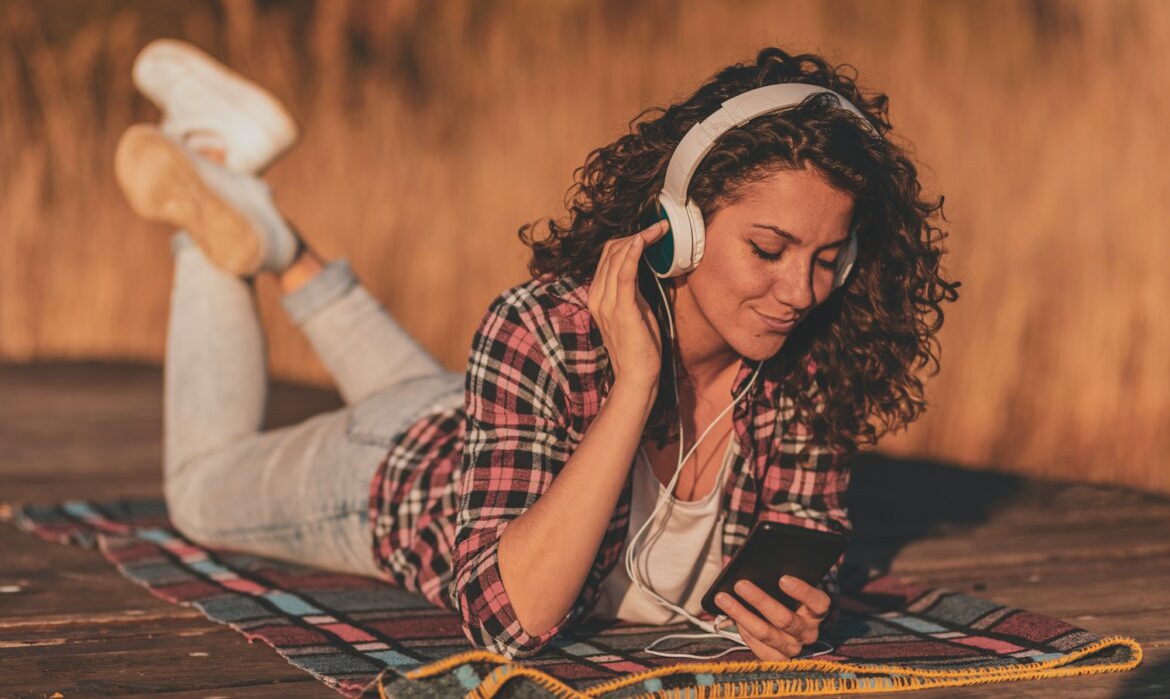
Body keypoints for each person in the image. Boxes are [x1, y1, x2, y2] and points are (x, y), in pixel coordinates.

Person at [114, 40, 958, 663]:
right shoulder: (546, 328)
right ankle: (210, 186)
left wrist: (797, 613)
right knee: (196, 490)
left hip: (478, 414)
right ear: (682, 228)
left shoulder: (806, 361)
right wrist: (636, 388)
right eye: (768, 250)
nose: (801, 293)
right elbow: (508, 620)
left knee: (422, 392)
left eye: (825, 260)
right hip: (390, 476)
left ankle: (263, 225)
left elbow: (805, 527)